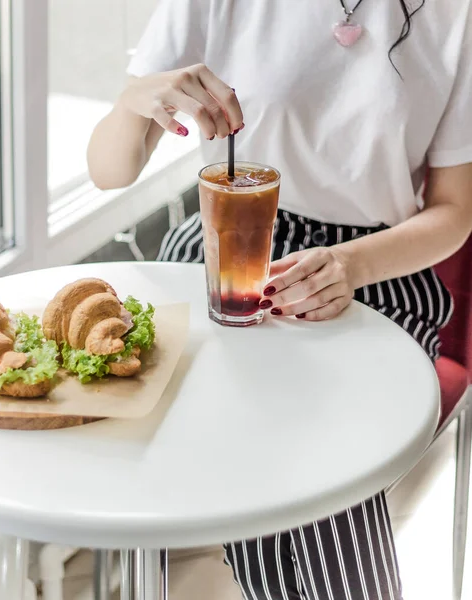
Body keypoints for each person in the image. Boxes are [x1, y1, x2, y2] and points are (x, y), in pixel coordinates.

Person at [88, 1, 472, 598]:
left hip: (375, 272)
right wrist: (134, 98)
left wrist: (352, 264)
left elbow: (455, 212)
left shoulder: (455, 17)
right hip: (220, 250)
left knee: (312, 440)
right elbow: (109, 171)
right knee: (265, 421)